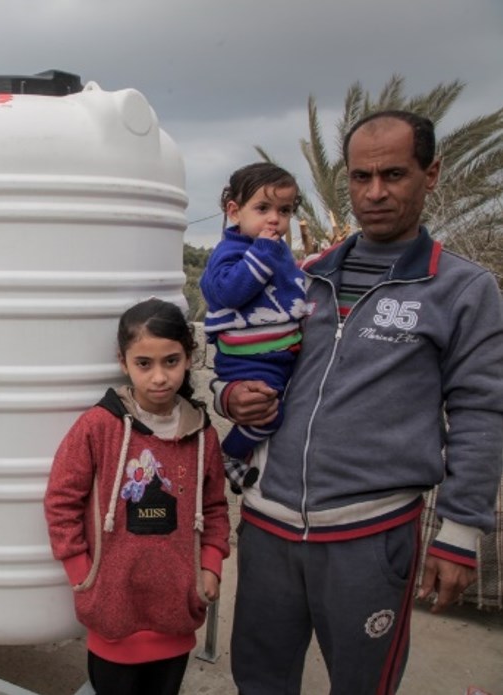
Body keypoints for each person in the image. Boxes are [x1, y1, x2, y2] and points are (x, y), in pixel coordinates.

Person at [215, 110, 503, 694]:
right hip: (269, 526)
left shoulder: (462, 289)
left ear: (432, 172)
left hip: (368, 537)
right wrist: (228, 397)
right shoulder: (304, 276)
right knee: (259, 681)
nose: (374, 193)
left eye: (393, 174)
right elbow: (246, 350)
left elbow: (482, 409)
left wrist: (462, 530)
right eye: (360, 177)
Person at [44, 297, 230, 695]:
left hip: (176, 615)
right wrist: (84, 575)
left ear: (189, 357)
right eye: (144, 363)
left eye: (171, 361)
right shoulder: (98, 427)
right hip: (113, 616)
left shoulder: (202, 434)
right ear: (123, 361)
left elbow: (214, 506)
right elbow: (61, 500)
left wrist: (210, 565)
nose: (159, 377)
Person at [199, 162, 307, 494]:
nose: (275, 219)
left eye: (284, 210)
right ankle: (229, 456)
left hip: (274, 355)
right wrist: (261, 253)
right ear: (235, 211)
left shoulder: (277, 252)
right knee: (268, 414)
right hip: (249, 360)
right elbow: (228, 291)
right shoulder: (232, 252)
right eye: (263, 208)